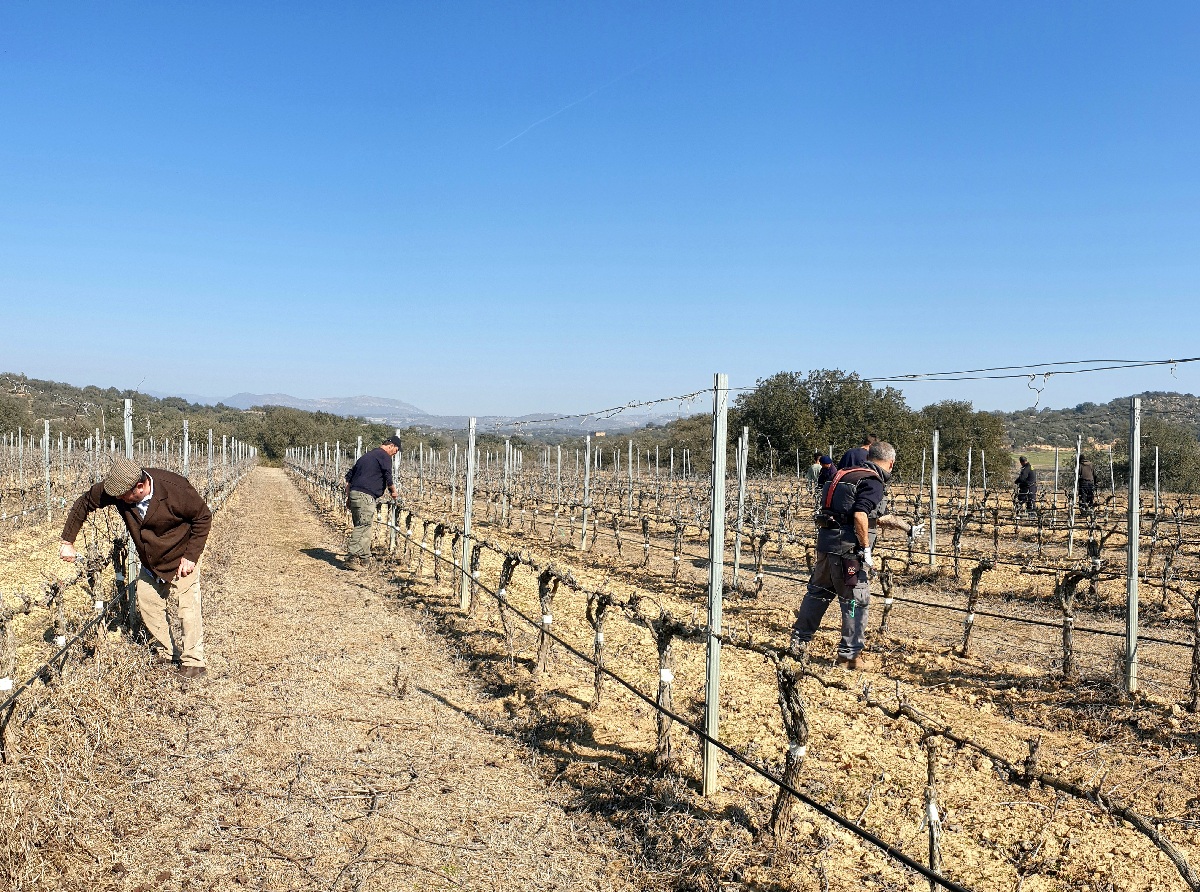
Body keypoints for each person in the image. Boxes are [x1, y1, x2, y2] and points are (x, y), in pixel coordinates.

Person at [60, 456, 212, 678]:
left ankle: (194, 662)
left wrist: (190, 556)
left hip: (181, 554)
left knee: (187, 607)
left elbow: (203, 517)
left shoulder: (176, 488)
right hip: (151, 559)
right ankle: (168, 653)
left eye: (122, 496)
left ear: (140, 487)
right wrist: (67, 542)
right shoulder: (118, 488)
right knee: (148, 601)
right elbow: (85, 502)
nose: (117, 499)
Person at [790, 441, 918, 669]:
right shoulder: (872, 481)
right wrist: (866, 548)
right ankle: (849, 656)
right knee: (856, 600)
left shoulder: (843, 475)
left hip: (826, 545)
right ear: (891, 462)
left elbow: (864, 515)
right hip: (848, 552)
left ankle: (798, 644)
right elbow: (860, 515)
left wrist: (907, 527)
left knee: (817, 594)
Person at [342, 435, 402, 570]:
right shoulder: (384, 456)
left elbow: (348, 478)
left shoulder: (365, 457)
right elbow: (388, 475)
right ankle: (351, 556)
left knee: (364, 525)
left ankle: (365, 558)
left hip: (355, 494)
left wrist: (349, 497)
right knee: (363, 525)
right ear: (390, 446)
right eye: (396, 450)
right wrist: (393, 491)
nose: (395, 454)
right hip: (366, 495)